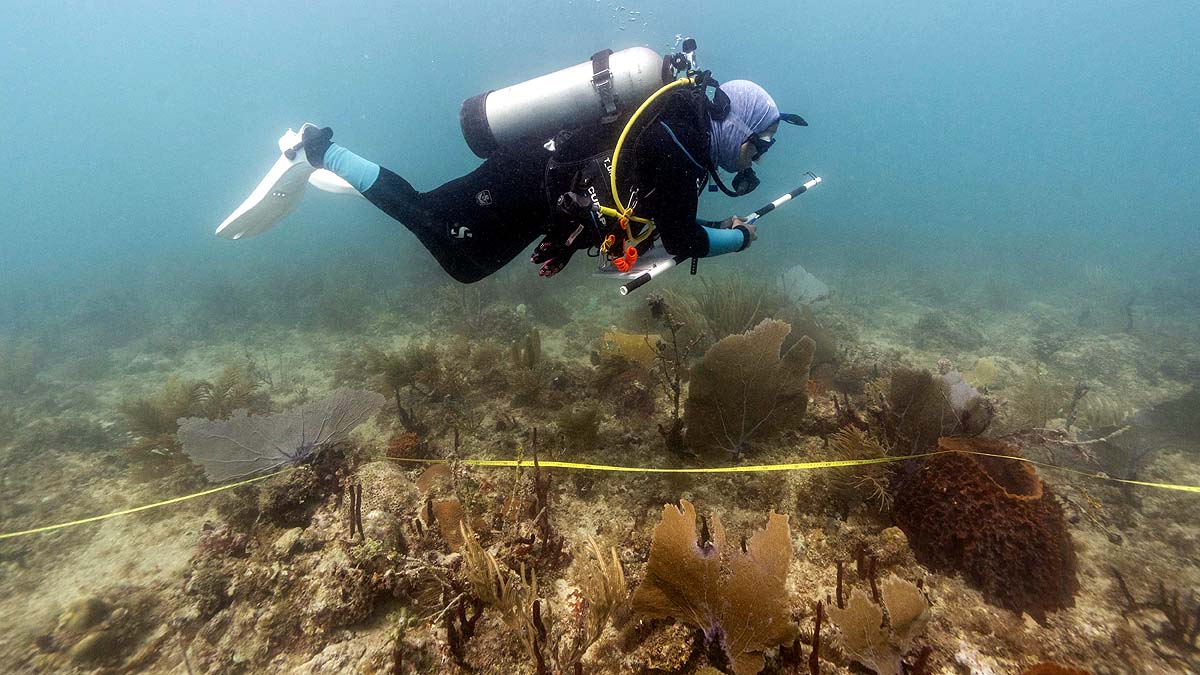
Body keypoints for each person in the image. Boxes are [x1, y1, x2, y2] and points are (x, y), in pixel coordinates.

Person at [267, 80, 792, 283]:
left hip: (542, 199)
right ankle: (318, 148)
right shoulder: (679, 143)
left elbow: (654, 217)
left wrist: (571, 238)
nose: (757, 159)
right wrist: (738, 238)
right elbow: (682, 239)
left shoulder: (683, 140)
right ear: (737, 124)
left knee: (469, 266)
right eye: (760, 144)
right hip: (525, 174)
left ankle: (357, 179)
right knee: (436, 224)